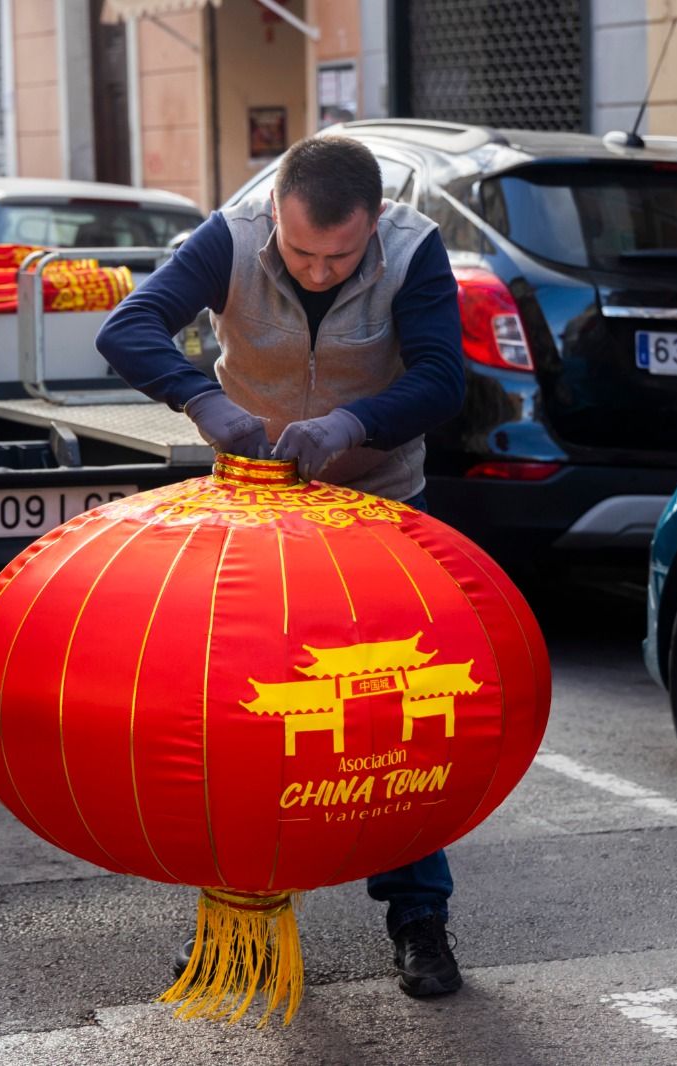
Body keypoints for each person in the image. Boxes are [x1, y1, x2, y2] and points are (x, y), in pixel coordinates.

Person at [95, 134, 468, 997]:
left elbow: (446, 379)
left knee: (393, 720)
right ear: (278, 215)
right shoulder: (229, 234)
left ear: (375, 224)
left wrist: (353, 425)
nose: (318, 269)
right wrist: (202, 398)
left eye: (340, 255)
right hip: (255, 512)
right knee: (243, 721)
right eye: (300, 251)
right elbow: (128, 327)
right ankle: (242, 923)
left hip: (378, 508)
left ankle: (420, 920)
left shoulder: (414, 250)